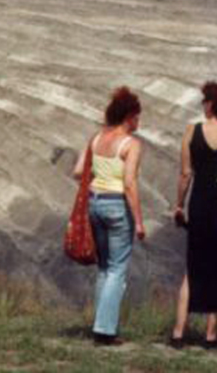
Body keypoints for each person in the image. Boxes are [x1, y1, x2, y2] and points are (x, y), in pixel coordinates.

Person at [170, 82, 217, 348]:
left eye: (204, 100)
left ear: (210, 104)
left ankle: (179, 332)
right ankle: (211, 335)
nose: (202, 104)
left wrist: (178, 205)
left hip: (200, 205)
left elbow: (186, 173)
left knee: (193, 268)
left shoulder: (193, 131)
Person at [72, 86, 145, 346]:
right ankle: (105, 330)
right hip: (116, 205)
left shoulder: (96, 138)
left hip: (94, 203)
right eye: (137, 117)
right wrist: (138, 220)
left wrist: (99, 178)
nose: (139, 122)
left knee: (104, 268)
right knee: (117, 269)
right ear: (129, 117)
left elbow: (79, 171)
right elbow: (129, 183)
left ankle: (100, 325)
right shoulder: (130, 144)